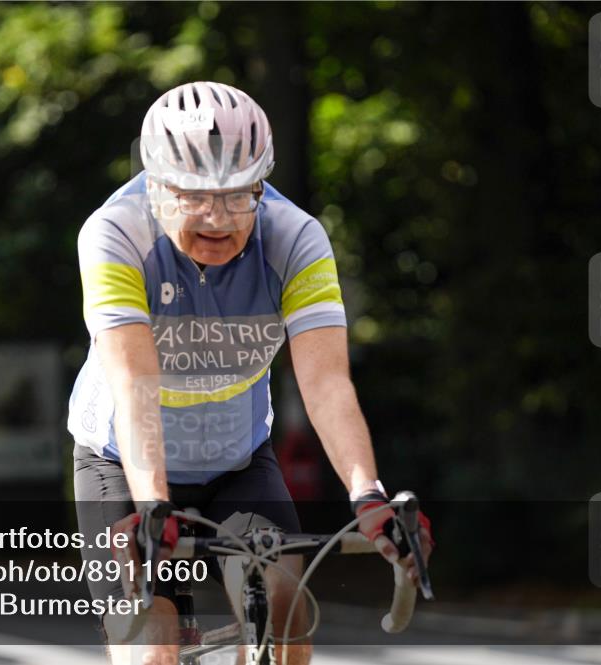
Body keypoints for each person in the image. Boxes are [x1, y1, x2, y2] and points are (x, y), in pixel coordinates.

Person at [68, 81, 433, 664]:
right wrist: (153, 507)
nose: (218, 217)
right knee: (151, 649)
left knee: (286, 618)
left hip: (237, 461)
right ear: (156, 186)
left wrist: (368, 494)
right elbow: (134, 383)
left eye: (241, 195)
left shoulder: (296, 237)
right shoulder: (114, 235)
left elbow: (326, 382)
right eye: (194, 196)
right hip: (122, 462)